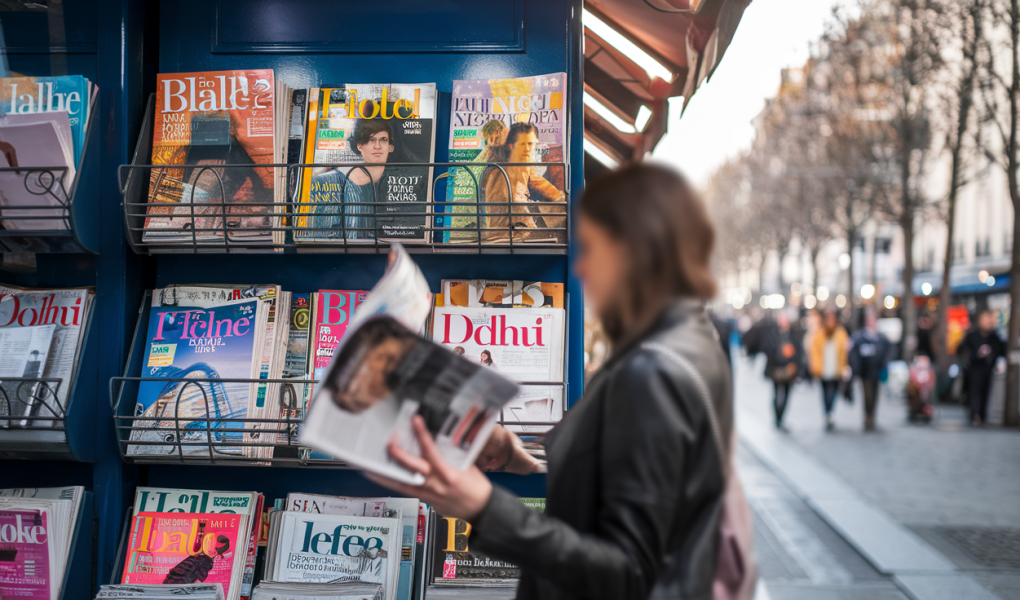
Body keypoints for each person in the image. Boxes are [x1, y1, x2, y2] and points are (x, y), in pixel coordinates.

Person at [367, 163, 737, 599]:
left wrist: (485, 508)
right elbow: (616, 491)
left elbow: (630, 573)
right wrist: (521, 458)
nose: (581, 267)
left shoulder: (654, 373)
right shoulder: (679, 344)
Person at [309, 120, 402, 240]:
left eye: (383, 140)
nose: (377, 146)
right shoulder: (335, 180)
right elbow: (323, 231)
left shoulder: (397, 180)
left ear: (390, 147)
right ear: (360, 146)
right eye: (371, 140)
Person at [482, 122, 566, 242]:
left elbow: (547, 190)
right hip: (508, 239)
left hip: (513, 236)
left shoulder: (520, 168)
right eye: (522, 144)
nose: (527, 149)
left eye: (530, 144)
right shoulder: (504, 172)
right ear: (512, 146)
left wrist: (560, 198)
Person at [957, 309, 1006, 426]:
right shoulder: (971, 335)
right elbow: (962, 351)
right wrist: (974, 356)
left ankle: (982, 415)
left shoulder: (995, 337)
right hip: (974, 368)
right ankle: (975, 414)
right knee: (974, 392)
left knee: (986, 391)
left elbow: (1002, 350)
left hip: (988, 368)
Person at [848, 311, 893, 431]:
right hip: (865, 372)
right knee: (867, 395)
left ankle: (872, 417)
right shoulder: (860, 337)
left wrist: (884, 364)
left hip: (877, 371)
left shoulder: (881, 338)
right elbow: (854, 354)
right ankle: (868, 417)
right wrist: (856, 371)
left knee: (875, 395)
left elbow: (889, 350)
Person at [808, 308, 849, 431]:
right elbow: (814, 352)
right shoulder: (819, 334)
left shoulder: (841, 333)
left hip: (836, 369)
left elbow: (845, 352)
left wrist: (845, 367)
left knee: (834, 392)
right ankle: (827, 413)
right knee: (826, 393)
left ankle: (830, 413)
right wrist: (815, 367)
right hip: (823, 369)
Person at [762, 310, 804, 430]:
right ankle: (777, 418)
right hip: (776, 369)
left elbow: (799, 352)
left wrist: (796, 365)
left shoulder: (793, 334)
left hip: (789, 369)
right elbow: (767, 348)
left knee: (786, 394)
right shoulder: (773, 334)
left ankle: (781, 418)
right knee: (776, 394)